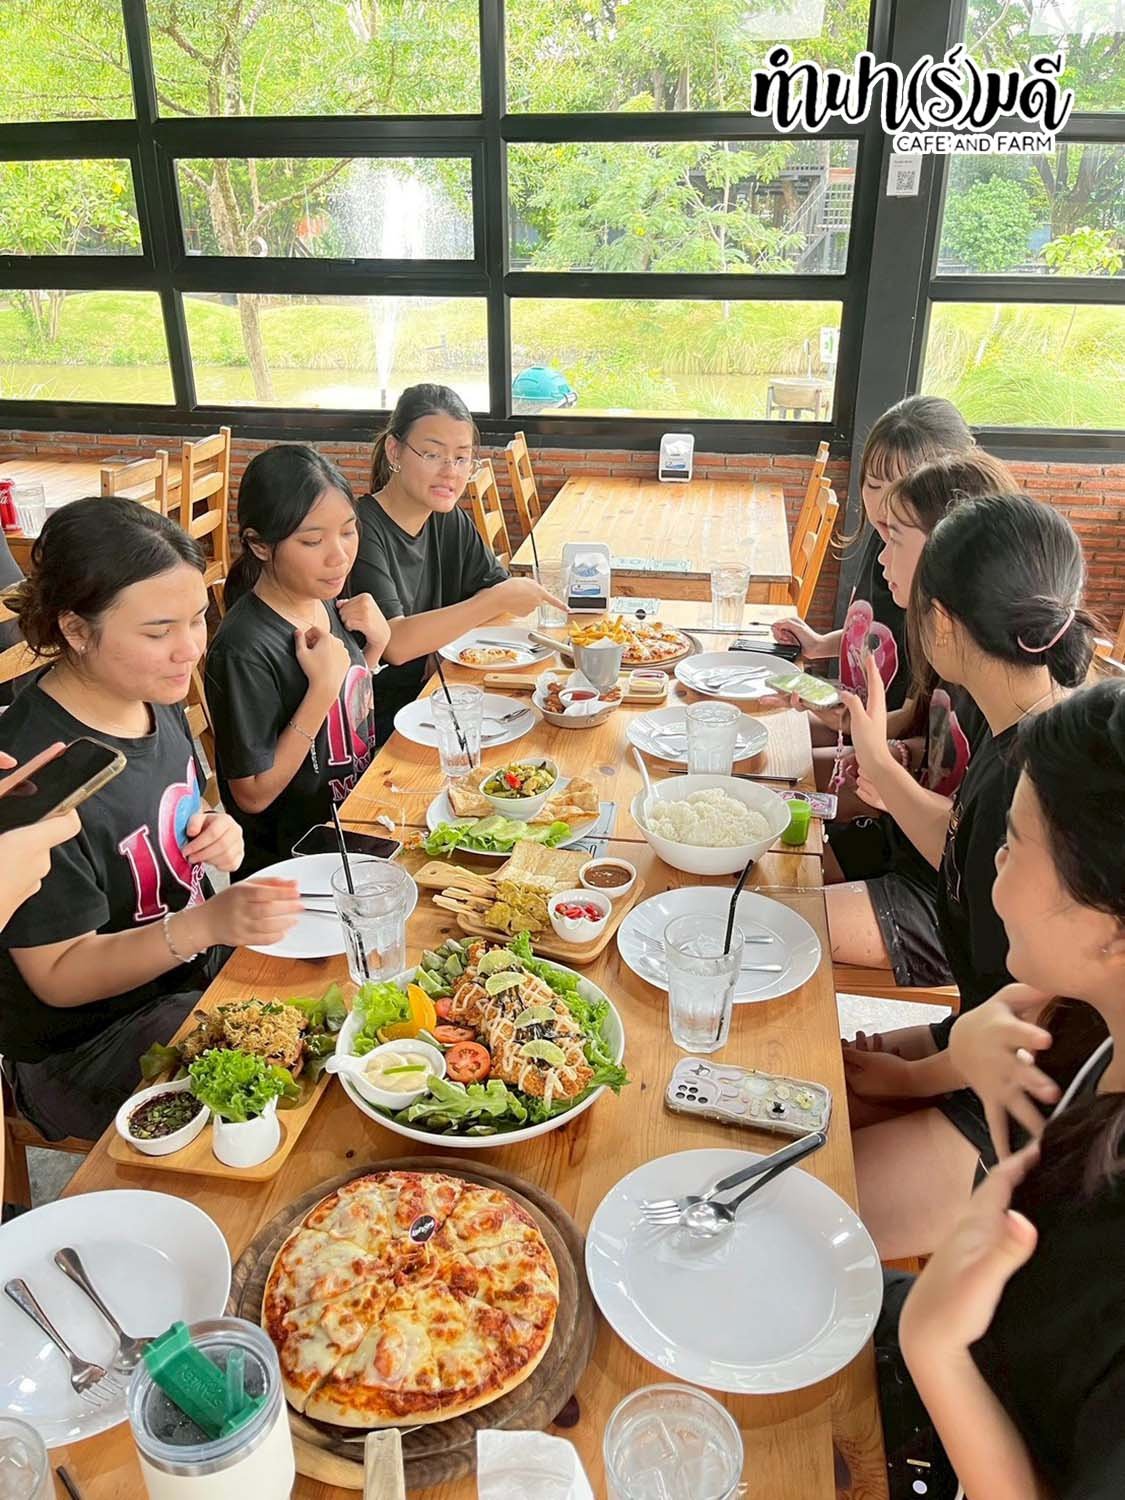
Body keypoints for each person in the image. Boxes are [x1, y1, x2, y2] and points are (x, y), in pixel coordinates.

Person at [879, 679, 1125, 1499]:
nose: (994, 855)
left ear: (1112, 927)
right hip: (977, 1343)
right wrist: (970, 1061)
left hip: (961, 1396)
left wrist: (935, 1349)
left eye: (1015, 843)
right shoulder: (1085, 1025)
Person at [840, 494, 1096, 1256]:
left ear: (943, 623)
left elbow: (1037, 1018)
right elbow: (958, 856)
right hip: (980, 1044)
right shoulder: (1015, 720)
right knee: (806, 1097)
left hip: (1031, 1114)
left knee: (805, 1214)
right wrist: (910, 1055)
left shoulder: (1041, 786)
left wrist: (911, 1076)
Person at [0, 498, 301, 1141]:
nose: (189, 649)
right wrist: (201, 926)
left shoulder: (147, 694)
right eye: (158, 631)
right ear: (76, 630)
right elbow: (57, 976)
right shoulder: (32, 775)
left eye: (197, 619)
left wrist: (217, 829)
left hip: (183, 979)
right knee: (275, 1102)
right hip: (83, 1048)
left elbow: (176, 812)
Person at [824, 451, 1014, 986]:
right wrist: (896, 756)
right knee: (769, 873)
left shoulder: (1006, 694)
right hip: (905, 845)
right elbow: (935, 742)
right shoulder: (951, 649)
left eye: (895, 539)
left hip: (942, 902)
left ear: (947, 553)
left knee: (767, 922)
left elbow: (971, 850)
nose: (881, 557)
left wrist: (886, 771)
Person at [205, 445, 391, 876]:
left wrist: (374, 650)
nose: (339, 555)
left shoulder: (321, 599)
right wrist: (321, 690)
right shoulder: (243, 649)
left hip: (356, 831)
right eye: (312, 541)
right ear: (259, 545)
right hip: (293, 870)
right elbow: (252, 794)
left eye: (348, 531)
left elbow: (346, 717)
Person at [349, 383, 565, 742]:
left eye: (462, 458)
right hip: (381, 728)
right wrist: (491, 602)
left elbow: (494, 591)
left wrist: (440, 640)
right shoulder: (359, 530)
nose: (450, 471)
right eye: (433, 454)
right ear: (394, 450)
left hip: (443, 701)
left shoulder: (447, 519)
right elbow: (395, 643)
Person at [773, 395, 972, 729]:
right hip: (855, 726)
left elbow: (910, 723)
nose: (882, 505)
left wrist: (846, 723)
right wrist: (820, 645)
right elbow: (877, 633)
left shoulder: (933, 582)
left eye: (903, 489)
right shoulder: (886, 540)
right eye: (874, 484)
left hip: (879, 740)